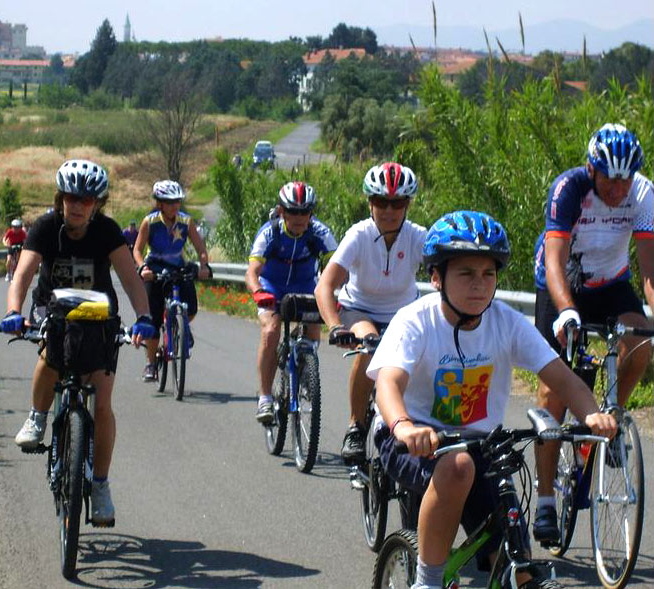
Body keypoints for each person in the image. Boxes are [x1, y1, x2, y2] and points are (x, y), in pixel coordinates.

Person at [367, 210, 616, 589]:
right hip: (411, 439)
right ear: (437, 277)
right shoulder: (414, 320)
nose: (479, 285)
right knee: (458, 467)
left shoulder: (506, 322)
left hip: (481, 444)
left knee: (517, 561)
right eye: (466, 273)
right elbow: (388, 382)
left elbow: (563, 379)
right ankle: (427, 581)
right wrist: (403, 425)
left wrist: (593, 414)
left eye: (488, 274)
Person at [0, 159, 155, 526]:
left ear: (97, 203)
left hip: (98, 313)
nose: (78, 206)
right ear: (60, 198)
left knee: (101, 400)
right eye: (71, 198)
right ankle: (37, 418)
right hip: (53, 309)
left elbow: (131, 279)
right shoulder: (45, 228)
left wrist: (144, 317)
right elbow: (23, 273)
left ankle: (99, 486)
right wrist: (13, 311)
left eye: (87, 200)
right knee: (50, 356)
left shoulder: (107, 231)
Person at [531, 122, 653, 545]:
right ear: (592, 168)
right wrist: (566, 311)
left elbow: (649, 269)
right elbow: (554, 257)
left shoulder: (642, 193)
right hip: (563, 283)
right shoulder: (569, 188)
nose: (620, 188)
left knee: (640, 342)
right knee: (556, 391)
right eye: (610, 179)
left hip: (612, 281)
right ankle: (546, 500)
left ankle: (609, 418)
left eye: (626, 178)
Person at [314, 162, 426, 464]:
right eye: (380, 202)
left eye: (397, 203)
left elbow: (444, 276)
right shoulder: (358, 235)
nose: (389, 210)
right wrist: (336, 326)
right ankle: (356, 426)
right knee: (371, 347)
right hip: (359, 310)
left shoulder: (418, 237)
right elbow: (325, 286)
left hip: (403, 315)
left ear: (407, 205)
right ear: (370, 203)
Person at [246, 181, 338, 423]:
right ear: (281, 211)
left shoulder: (320, 232)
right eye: (293, 211)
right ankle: (265, 397)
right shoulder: (270, 232)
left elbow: (338, 266)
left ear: (311, 213)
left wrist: (337, 292)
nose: (299, 217)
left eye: (304, 212)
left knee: (315, 322)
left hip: (307, 284)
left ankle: (306, 367)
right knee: (271, 330)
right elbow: (252, 271)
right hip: (272, 287)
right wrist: (258, 291)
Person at [132, 180, 211, 382]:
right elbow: (137, 250)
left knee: (191, 308)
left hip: (178, 267)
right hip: (155, 269)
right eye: (169, 202)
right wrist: (143, 268)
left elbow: (201, 249)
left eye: (177, 201)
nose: (174, 206)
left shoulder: (186, 222)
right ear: (159, 203)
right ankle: (150, 364)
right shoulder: (149, 222)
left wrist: (203, 265)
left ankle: (182, 324)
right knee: (153, 319)